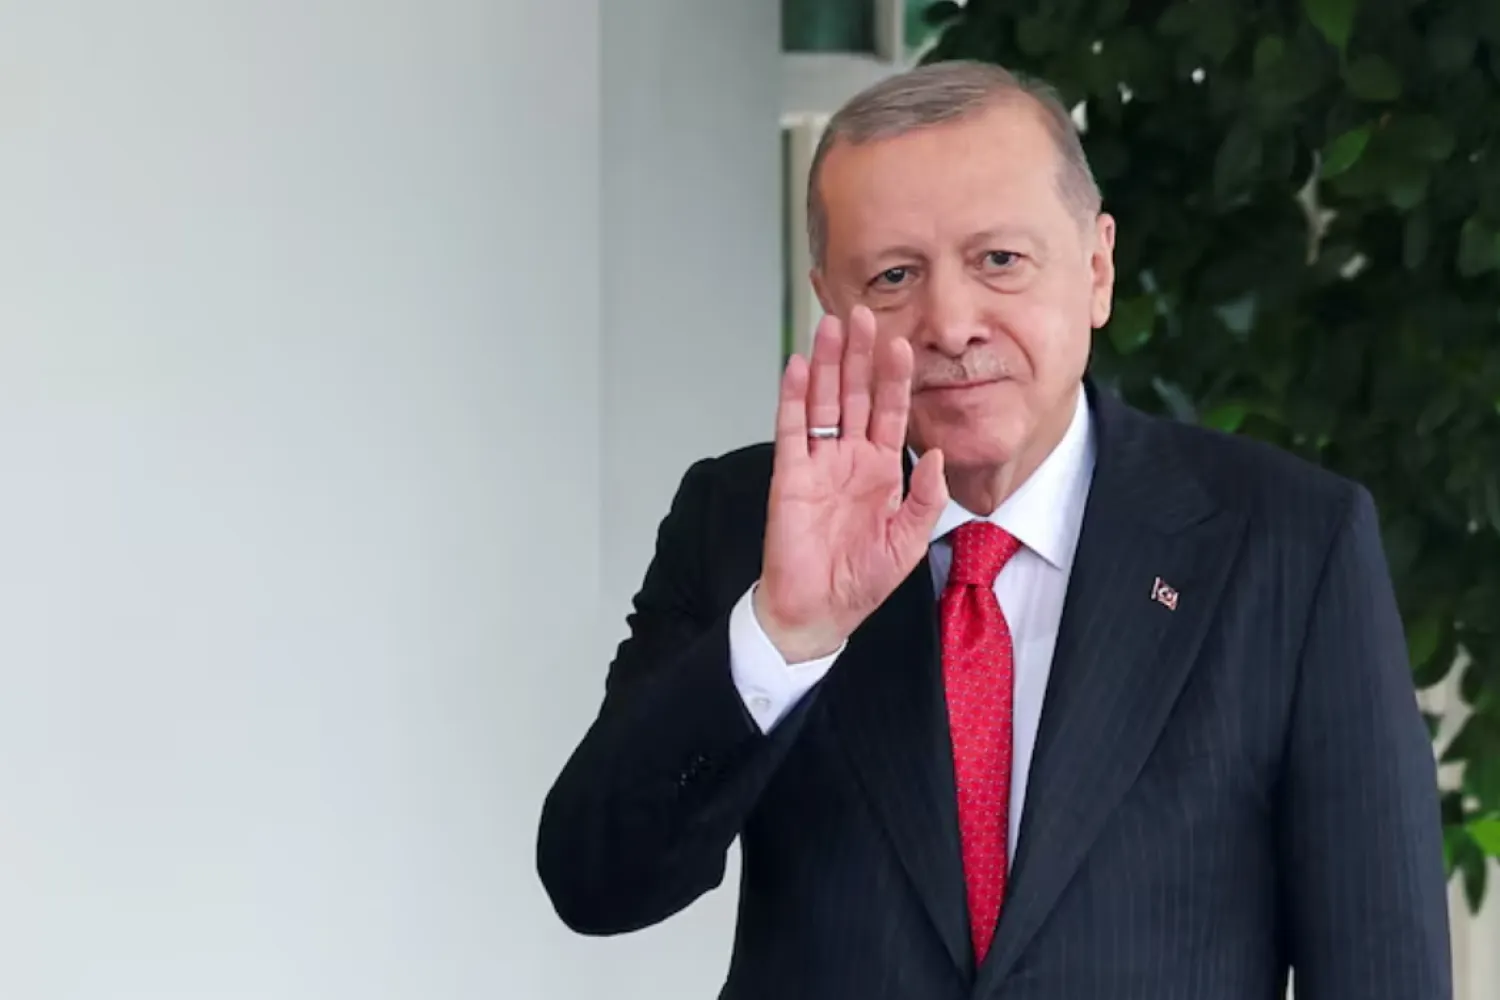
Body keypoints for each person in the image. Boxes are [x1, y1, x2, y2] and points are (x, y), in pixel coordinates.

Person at [536, 60, 1452, 999]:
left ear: (1096, 270)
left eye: (999, 262)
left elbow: (1382, 969)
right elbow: (595, 880)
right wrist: (784, 637)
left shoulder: (1290, 543)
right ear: (830, 303)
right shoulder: (746, 524)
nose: (951, 323)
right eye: (894, 277)